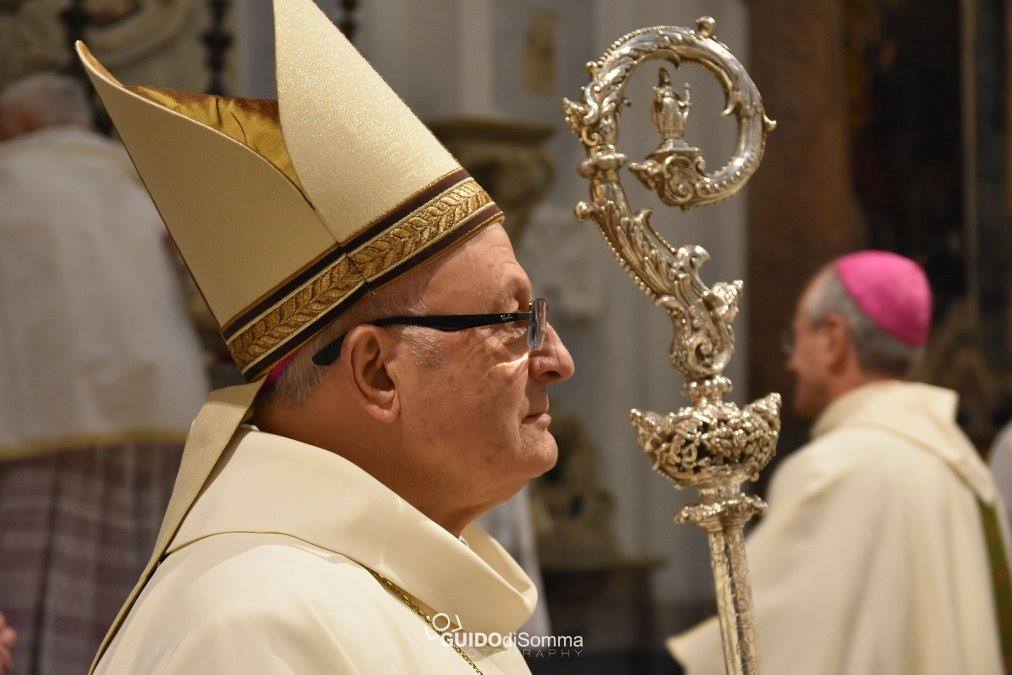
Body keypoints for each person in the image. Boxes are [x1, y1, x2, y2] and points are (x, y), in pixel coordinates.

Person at [77, 0, 574, 672]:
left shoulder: (388, 594)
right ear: (377, 372)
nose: (558, 359)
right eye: (513, 323)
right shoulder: (254, 626)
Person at [668, 251, 1011, 674]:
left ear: (834, 339)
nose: (791, 362)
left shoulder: (837, 469)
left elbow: (752, 648)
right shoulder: (960, 467)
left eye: (795, 340)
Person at [0, 73, 209, 675]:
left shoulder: (10, 176)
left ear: (18, 126)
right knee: (137, 576)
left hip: (47, 413)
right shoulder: (143, 181)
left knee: (41, 584)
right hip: (158, 407)